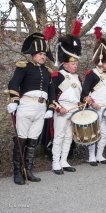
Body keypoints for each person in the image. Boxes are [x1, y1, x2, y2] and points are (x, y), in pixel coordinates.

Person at [7, 32, 55, 185]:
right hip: (26, 106)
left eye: (44, 54)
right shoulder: (24, 67)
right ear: (33, 55)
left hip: (41, 109)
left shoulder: (48, 72)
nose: (43, 56)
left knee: (33, 141)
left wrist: (51, 108)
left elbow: (51, 91)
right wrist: (14, 100)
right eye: (40, 54)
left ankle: (28, 170)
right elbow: (13, 84)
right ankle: (17, 172)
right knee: (21, 140)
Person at [51, 20, 82, 175]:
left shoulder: (77, 78)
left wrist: (85, 101)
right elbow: (51, 95)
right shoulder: (58, 75)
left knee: (69, 136)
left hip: (74, 109)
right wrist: (58, 107)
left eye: (76, 63)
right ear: (64, 63)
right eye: (73, 63)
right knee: (59, 136)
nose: (75, 66)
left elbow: (80, 95)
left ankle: (64, 160)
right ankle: (55, 162)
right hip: (62, 109)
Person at [80, 27, 106, 166]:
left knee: (105, 133)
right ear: (101, 62)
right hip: (95, 108)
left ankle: (100, 155)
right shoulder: (91, 74)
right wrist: (93, 103)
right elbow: (84, 94)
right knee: (93, 133)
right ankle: (91, 156)